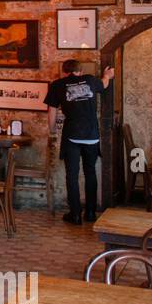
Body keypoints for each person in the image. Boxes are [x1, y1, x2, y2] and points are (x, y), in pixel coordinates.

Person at [44, 59, 115, 225]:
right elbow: (104, 84)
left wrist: (53, 130)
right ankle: (90, 213)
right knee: (90, 172)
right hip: (91, 134)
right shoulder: (90, 80)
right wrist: (107, 75)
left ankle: (75, 214)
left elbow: (52, 112)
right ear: (80, 71)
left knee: (72, 175)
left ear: (64, 71)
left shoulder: (57, 85)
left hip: (72, 135)